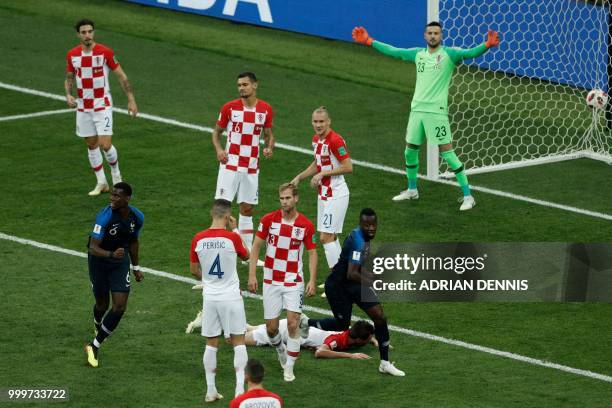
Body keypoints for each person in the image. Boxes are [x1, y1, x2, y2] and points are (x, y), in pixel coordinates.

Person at [352, 22, 500, 210]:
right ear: (424, 36)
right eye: (429, 33)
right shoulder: (417, 54)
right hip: (417, 111)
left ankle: (468, 196)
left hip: (436, 113)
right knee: (410, 150)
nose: (432, 36)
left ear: (441, 36)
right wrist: (369, 41)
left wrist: (486, 45)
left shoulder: (449, 54)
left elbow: (469, 53)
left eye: (436, 33)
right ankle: (412, 190)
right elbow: (394, 51)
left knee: (448, 153)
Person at [302, 208, 405, 376]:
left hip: (353, 284)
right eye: (367, 225)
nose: (371, 228)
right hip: (338, 287)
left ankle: (384, 363)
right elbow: (352, 273)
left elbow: (357, 270)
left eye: (373, 225)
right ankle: (306, 323)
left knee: (379, 316)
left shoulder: (362, 237)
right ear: (360, 224)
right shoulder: (359, 241)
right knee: (342, 324)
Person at [248, 183, 317, 382]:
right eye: (282, 198)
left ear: (296, 199)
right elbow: (256, 247)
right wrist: (252, 275)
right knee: (271, 328)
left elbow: (312, 253)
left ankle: (289, 368)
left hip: (293, 280)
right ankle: (280, 350)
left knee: (293, 323)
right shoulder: (268, 220)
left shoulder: (305, 225)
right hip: (270, 280)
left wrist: (312, 280)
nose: (284, 202)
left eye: (288, 198)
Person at [65, 19, 138, 196]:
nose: (87, 35)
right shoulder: (72, 55)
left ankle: (117, 177)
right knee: (91, 144)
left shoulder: (105, 52)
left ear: (93, 33)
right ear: (78, 35)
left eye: (90, 31)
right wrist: (68, 94)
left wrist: (131, 100)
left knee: (105, 145)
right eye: (83, 32)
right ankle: (101, 182)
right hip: (83, 106)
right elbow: (69, 77)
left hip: (102, 104)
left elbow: (122, 76)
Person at [190, 199, 250, 402]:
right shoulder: (231, 238)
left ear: (211, 214)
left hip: (210, 298)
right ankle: (240, 390)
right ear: (227, 217)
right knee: (239, 342)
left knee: (211, 343)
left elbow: (193, 270)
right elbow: (247, 256)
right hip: (231, 297)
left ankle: (210, 390)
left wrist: (207, 279)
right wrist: (236, 231)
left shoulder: (197, 238)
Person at [211, 72, 275, 260]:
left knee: (247, 209)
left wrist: (269, 147)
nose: (241, 88)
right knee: (221, 208)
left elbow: (269, 134)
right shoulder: (229, 108)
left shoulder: (265, 109)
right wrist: (219, 150)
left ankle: (246, 253)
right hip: (230, 166)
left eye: (245, 84)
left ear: (255, 86)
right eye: (239, 85)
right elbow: (216, 132)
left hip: (251, 168)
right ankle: (218, 250)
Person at [84, 182, 144, 368]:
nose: (112, 199)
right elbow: (93, 247)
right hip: (99, 262)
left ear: (127, 198)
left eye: (117, 196)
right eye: (111, 195)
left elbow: (133, 241)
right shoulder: (105, 216)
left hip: (119, 262)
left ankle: (94, 345)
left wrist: (136, 267)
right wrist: (111, 254)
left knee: (119, 307)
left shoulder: (137, 217)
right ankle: (97, 322)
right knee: (102, 304)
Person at [291, 106, 353, 271]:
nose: (318, 125)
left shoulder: (335, 140)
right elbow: (318, 162)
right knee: (331, 237)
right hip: (324, 195)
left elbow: (348, 167)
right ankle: (343, 276)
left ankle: (337, 280)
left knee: (325, 237)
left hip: (336, 194)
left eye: (322, 122)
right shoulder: (316, 140)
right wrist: (300, 177)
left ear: (328, 122)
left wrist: (324, 173)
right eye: (315, 122)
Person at [245, 318, 375, 360]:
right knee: (239, 340)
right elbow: (320, 352)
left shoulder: (351, 332)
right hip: (289, 332)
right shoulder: (338, 340)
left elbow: (361, 330)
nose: (370, 340)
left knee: (249, 328)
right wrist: (351, 356)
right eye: (368, 339)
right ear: (358, 340)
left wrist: (374, 341)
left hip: (298, 327)